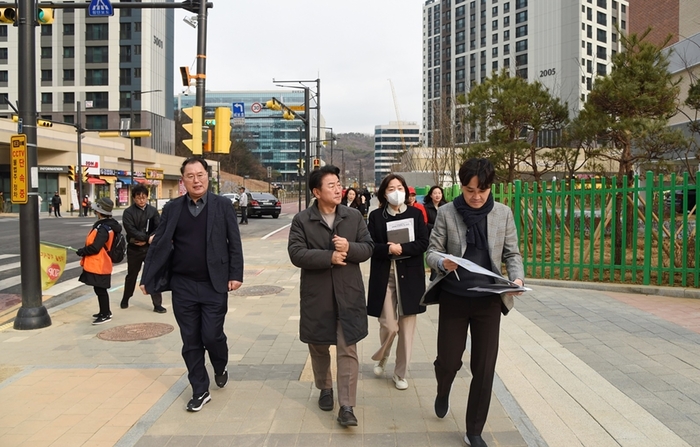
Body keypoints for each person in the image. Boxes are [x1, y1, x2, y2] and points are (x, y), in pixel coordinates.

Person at [423, 158, 525, 447]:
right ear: (462, 186)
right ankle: (443, 388)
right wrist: (443, 262)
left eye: (482, 190)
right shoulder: (446, 213)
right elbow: (431, 251)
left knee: (484, 366)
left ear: (490, 187)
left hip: (489, 301)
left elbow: (512, 254)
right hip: (454, 299)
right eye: (470, 190)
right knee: (449, 361)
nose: (476, 196)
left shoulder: (503, 214)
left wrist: (516, 280)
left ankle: (474, 430)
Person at [139, 157, 244, 412]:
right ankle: (200, 389)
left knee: (212, 335)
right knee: (191, 340)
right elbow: (160, 243)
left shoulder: (222, 206)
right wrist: (148, 277)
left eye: (200, 175)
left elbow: (234, 242)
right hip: (183, 285)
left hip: (213, 284)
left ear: (208, 176)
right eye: (190, 176)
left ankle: (220, 364)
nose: (196, 180)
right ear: (183, 180)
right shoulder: (173, 208)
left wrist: (236, 274)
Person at [287, 165, 373, 427]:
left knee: (348, 348)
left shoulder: (353, 217)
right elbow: (296, 254)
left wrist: (349, 248)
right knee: (319, 345)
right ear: (316, 191)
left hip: (348, 293)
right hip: (318, 295)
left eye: (339, 184)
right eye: (332, 185)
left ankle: (347, 405)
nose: (339, 189)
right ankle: (325, 387)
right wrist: (329, 257)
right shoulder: (302, 220)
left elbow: (368, 247)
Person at [366, 174, 429, 391]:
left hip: (410, 276)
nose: (396, 191)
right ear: (384, 193)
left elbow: (423, 242)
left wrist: (403, 248)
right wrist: (387, 248)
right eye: (391, 188)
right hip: (385, 275)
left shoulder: (415, 214)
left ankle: (400, 373)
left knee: (407, 330)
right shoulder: (375, 216)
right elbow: (370, 245)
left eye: (399, 187)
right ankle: (383, 356)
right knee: (389, 326)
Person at [76, 197, 122, 325]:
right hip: (100, 262)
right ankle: (104, 311)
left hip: (100, 263)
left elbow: (96, 247)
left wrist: (82, 251)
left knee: (101, 290)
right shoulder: (108, 225)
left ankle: (106, 314)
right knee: (99, 289)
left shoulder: (103, 228)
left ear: (100, 211)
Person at [121, 184, 165, 313]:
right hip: (134, 249)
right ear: (134, 198)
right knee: (132, 275)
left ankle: (157, 304)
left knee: (153, 274)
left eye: (144, 197)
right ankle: (126, 298)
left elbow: (159, 226)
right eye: (138, 198)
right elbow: (130, 229)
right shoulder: (128, 212)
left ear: (147, 197)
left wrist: (150, 238)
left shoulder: (152, 211)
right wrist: (145, 238)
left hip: (150, 248)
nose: (141, 200)